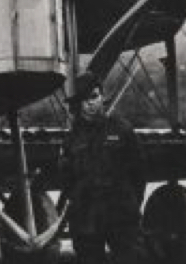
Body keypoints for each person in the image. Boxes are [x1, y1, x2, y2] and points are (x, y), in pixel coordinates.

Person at [62, 73, 148, 264]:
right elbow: (68, 180)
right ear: (78, 104)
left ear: (102, 96)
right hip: (86, 221)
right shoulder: (72, 139)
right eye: (84, 100)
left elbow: (139, 173)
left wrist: (131, 206)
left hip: (121, 217)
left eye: (94, 96)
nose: (90, 104)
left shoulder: (122, 130)